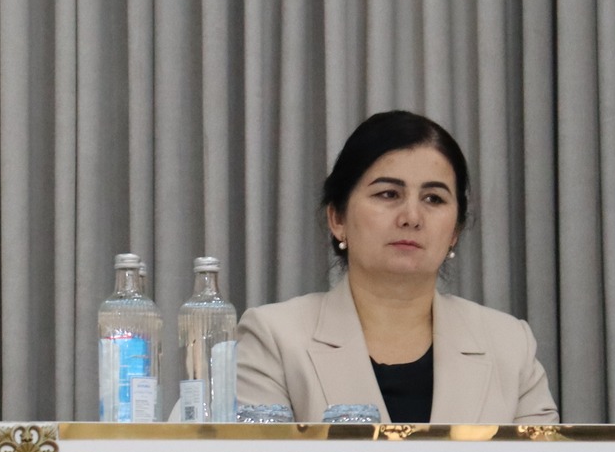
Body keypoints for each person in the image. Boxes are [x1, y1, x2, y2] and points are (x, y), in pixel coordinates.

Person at [235, 110, 557, 424]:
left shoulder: (510, 345)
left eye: (433, 199)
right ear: (337, 218)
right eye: (388, 194)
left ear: (455, 231)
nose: (411, 217)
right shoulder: (274, 339)